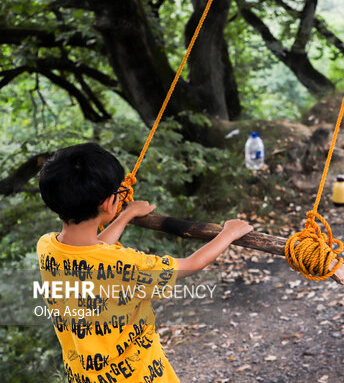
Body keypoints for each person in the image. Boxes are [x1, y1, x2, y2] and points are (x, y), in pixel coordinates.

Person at [37, 142, 253, 382]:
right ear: (110, 202)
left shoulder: (47, 246)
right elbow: (192, 263)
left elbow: (96, 251)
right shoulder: (128, 265)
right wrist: (229, 233)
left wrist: (126, 215)